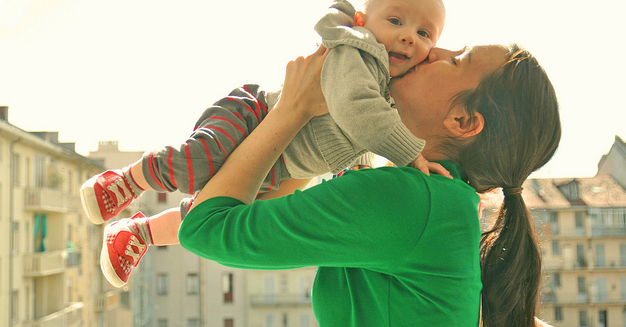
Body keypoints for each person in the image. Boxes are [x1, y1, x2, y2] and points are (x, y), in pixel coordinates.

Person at [80, 0, 449, 288]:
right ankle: (128, 180)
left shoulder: (391, 89)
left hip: (281, 163)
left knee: (216, 207)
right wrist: (410, 154)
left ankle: (138, 233)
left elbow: (365, 129)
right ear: (361, 21)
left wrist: (359, 167)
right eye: (396, 21)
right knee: (198, 164)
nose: (407, 37)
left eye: (422, 33)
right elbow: (357, 110)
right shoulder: (358, 52)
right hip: (253, 116)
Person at [178, 44, 562, 326]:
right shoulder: (443, 201)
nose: (432, 50)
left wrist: (291, 109)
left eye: (457, 60)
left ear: (462, 122)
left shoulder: (409, 199)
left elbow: (205, 228)